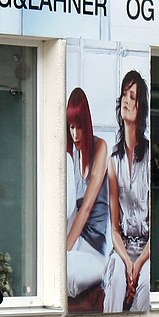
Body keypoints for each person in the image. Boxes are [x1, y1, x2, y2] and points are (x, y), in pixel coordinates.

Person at [103, 71, 151, 313]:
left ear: (140, 108)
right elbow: (113, 228)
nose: (126, 100)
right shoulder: (113, 159)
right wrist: (126, 261)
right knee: (116, 282)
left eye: (133, 96)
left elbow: (158, 228)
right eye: (124, 94)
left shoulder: (153, 156)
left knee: (144, 289)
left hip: (147, 252)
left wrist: (138, 263)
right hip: (122, 249)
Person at [66, 87, 109, 299]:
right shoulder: (71, 154)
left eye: (79, 127)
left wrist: (64, 249)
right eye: (71, 127)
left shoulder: (100, 147)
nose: (75, 134)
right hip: (73, 235)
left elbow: (87, 208)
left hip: (92, 244)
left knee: (69, 272)